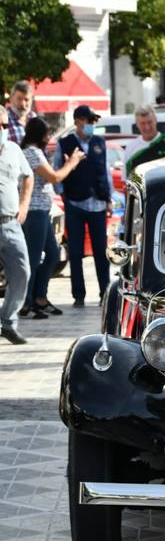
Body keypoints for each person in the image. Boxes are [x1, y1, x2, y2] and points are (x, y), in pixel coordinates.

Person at [19, 117, 83, 318]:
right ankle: (26, 302)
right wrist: (72, 163)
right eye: (47, 134)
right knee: (33, 257)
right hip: (34, 211)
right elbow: (54, 177)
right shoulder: (31, 153)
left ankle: (39, 297)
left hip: (43, 211)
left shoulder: (36, 152)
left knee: (53, 254)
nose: (49, 138)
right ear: (39, 135)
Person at [54, 105, 111, 308]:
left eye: (94, 121)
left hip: (97, 203)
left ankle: (105, 291)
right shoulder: (65, 143)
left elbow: (105, 172)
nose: (92, 125)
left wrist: (109, 198)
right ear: (78, 121)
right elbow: (56, 171)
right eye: (88, 121)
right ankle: (78, 295)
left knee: (100, 251)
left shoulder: (99, 142)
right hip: (75, 203)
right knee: (76, 252)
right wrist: (64, 197)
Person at [0, 105, 33, 344]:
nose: (2, 129)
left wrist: (24, 205)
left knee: (22, 272)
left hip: (10, 223)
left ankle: (8, 322)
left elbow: (28, 175)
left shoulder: (13, 149)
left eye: (3, 124)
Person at [123, 105, 165, 177]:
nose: (147, 127)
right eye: (143, 123)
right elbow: (127, 180)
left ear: (156, 120)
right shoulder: (130, 148)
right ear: (137, 124)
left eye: (150, 122)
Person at [6, 81, 36, 145]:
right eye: (19, 99)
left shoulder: (34, 118)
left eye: (26, 100)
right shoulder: (3, 120)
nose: (23, 104)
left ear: (31, 100)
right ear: (11, 99)